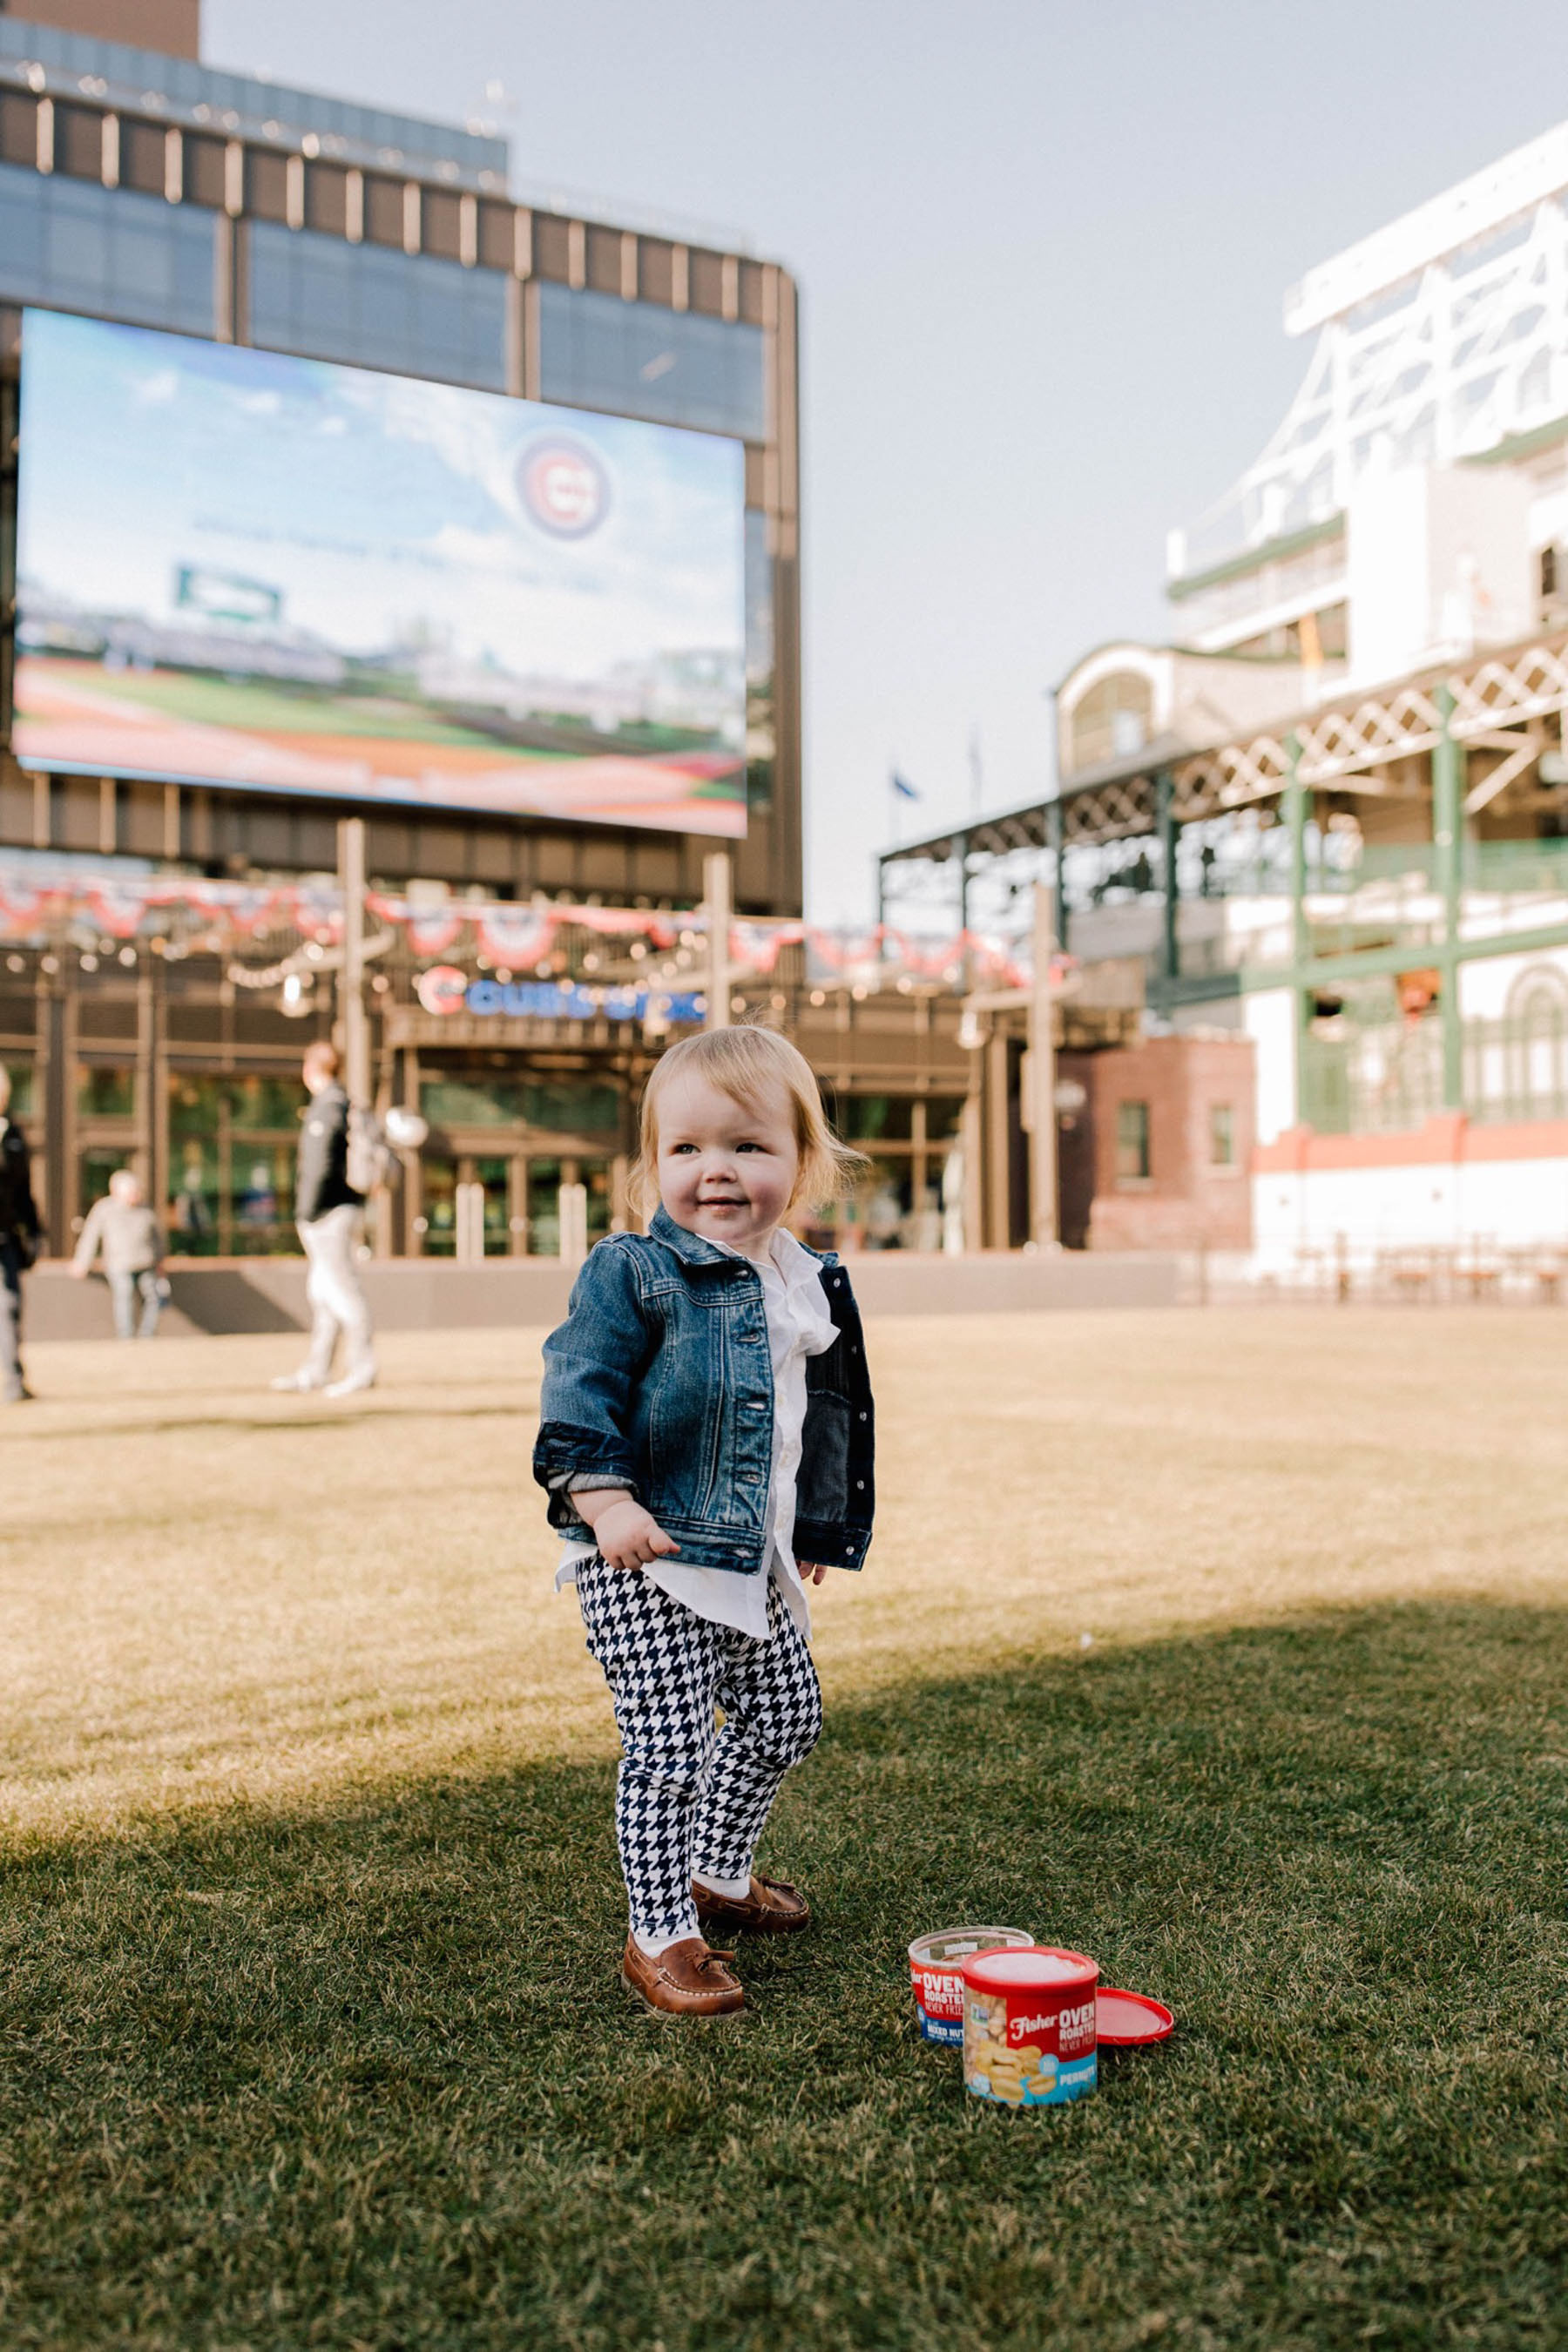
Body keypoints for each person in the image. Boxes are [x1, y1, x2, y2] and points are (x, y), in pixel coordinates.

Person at [533, 1024, 875, 2017]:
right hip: (649, 1557)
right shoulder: (634, 1271)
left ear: (800, 1162)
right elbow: (578, 1385)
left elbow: (820, 1415)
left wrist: (812, 1528)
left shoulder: (806, 1280)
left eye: (747, 1146)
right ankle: (659, 1933)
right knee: (669, 1748)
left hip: (748, 1559)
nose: (714, 1171)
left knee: (787, 1716)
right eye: (686, 1149)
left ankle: (715, 1876)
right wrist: (602, 1499)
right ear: (653, 1165)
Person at [271, 1039, 376, 1398]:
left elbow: (319, 1165)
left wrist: (307, 1211)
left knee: (342, 1292)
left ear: (309, 1069)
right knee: (324, 1295)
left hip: (326, 1213)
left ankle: (362, 1369)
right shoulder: (341, 1102)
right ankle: (316, 1371)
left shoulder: (327, 1106)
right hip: (336, 1209)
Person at [71, 1167, 166, 1339]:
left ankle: (147, 1334)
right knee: (124, 1294)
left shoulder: (146, 1209)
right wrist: (82, 1262)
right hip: (118, 1263)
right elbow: (90, 1236)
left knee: (153, 1297)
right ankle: (126, 1336)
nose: (134, 1196)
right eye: (130, 1192)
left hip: (146, 1262)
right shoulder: (104, 1209)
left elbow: (158, 1237)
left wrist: (160, 1260)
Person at [0, 1065, 43, 1404]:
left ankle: (13, 1380)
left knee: (10, 1307)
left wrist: (35, 1231)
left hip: (4, 1239)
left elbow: (24, 1191)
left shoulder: (13, 1135)